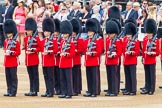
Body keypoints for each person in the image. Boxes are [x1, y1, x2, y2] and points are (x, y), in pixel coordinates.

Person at [83, 18, 101, 97]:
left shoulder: (98, 40)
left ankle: (95, 91)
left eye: (90, 31)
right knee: (89, 77)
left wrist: (93, 53)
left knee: (94, 77)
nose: (88, 32)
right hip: (88, 61)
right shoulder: (87, 40)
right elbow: (84, 50)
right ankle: (90, 90)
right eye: (88, 31)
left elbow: (99, 51)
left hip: (94, 60)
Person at [141, 19, 159, 95]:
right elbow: (143, 49)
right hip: (146, 59)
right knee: (147, 75)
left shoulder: (156, 40)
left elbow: (157, 52)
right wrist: (143, 57)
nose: (148, 34)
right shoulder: (145, 39)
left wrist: (151, 53)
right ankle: (147, 87)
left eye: (150, 33)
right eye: (147, 33)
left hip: (151, 60)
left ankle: (152, 89)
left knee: (152, 75)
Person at [40, 18, 58, 97]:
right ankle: (47, 90)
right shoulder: (43, 41)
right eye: (44, 31)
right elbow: (40, 48)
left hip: (50, 62)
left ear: (50, 32)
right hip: (44, 62)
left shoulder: (53, 40)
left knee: (51, 77)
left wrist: (49, 52)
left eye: (46, 31)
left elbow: (56, 50)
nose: (45, 32)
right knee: (46, 77)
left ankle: (51, 91)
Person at [3, 19, 21, 97]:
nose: (8, 34)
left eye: (9, 33)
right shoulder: (6, 41)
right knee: (8, 77)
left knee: (13, 77)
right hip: (7, 62)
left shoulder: (16, 42)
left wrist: (11, 53)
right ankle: (9, 90)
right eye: (7, 33)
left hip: (13, 61)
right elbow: (5, 49)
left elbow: (18, 52)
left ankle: (13, 91)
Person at [105, 20, 122, 97]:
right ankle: (110, 89)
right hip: (108, 60)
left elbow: (119, 52)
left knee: (114, 76)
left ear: (115, 33)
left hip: (114, 60)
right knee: (109, 76)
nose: (109, 35)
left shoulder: (118, 41)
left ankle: (114, 91)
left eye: (111, 33)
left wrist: (114, 55)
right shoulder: (108, 40)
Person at [24, 18, 40, 96]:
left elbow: (40, 48)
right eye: (27, 30)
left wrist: (34, 50)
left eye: (29, 30)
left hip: (34, 59)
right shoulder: (26, 39)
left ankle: (35, 90)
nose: (27, 32)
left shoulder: (36, 39)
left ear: (32, 30)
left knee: (35, 76)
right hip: (28, 60)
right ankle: (31, 89)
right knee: (30, 76)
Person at [122, 22, 140, 96]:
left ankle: (133, 90)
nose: (128, 36)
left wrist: (132, 52)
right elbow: (123, 49)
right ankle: (128, 89)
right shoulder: (125, 40)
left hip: (132, 60)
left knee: (132, 76)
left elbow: (138, 52)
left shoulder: (136, 41)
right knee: (127, 76)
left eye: (129, 35)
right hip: (126, 60)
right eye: (127, 35)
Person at [58, 20, 75, 99]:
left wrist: (66, 54)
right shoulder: (62, 42)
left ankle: (69, 92)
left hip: (68, 63)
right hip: (62, 63)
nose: (63, 35)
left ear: (68, 33)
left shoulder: (71, 42)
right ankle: (64, 92)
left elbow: (72, 53)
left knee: (68, 79)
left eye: (65, 33)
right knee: (62, 79)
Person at [70, 18, 83, 96]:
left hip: (76, 59)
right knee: (72, 75)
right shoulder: (70, 39)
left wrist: (74, 51)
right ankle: (73, 88)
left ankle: (77, 89)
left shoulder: (79, 39)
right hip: (71, 59)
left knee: (77, 75)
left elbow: (80, 50)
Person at [53, 18, 61, 95]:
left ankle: (59, 88)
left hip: (59, 60)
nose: (55, 33)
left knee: (59, 75)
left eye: (56, 32)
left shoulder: (61, 39)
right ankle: (55, 88)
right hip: (53, 60)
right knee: (54, 75)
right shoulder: (52, 39)